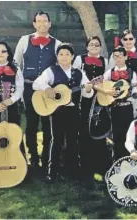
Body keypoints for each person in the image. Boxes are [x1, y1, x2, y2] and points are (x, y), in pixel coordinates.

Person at [32, 43, 93, 183]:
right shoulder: (51, 70)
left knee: (73, 140)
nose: (64, 57)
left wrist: (88, 88)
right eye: (61, 54)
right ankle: (51, 172)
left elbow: (87, 94)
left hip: (73, 110)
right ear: (57, 57)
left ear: (72, 56)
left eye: (67, 54)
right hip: (57, 111)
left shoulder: (79, 73)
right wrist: (47, 88)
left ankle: (72, 171)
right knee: (56, 140)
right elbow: (36, 84)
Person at [14, 11, 62, 168]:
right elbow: (16, 65)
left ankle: (47, 154)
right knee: (31, 123)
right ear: (34, 24)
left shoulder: (57, 44)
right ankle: (33, 156)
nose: (42, 24)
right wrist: (19, 90)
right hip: (29, 87)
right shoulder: (24, 40)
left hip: (48, 90)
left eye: (45, 21)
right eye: (39, 21)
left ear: (50, 23)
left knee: (48, 123)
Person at [73, 36, 110, 182]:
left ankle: (100, 163)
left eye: (97, 44)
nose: (94, 46)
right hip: (84, 98)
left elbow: (106, 79)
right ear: (86, 47)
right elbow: (75, 77)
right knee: (84, 129)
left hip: (99, 98)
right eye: (91, 44)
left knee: (98, 127)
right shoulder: (79, 59)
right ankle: (84, 164)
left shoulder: (105, 61)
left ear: (100, 47)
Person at [95, 47, 137, 160]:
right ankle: (117, 161)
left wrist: (136, 93)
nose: (118, 58)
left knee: (128, 135)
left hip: (128, 108)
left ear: (126, 57)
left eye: (120, 55)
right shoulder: (109, 72)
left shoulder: (131, 73)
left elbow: (134, 90)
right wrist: (107, 91)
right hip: (114, 108)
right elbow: (98, 86)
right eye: (115, 56)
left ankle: (128, 159)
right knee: (116, 135)